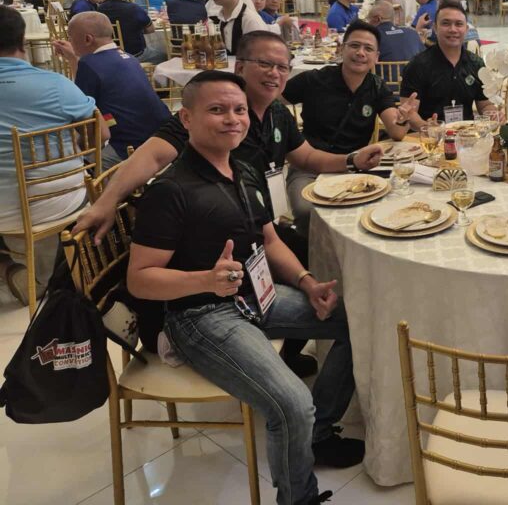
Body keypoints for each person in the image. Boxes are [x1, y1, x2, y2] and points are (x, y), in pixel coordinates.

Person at [127, 71, 362, 505]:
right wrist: (205, 280)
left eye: (238, 109)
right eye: (217, 110)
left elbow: (269, 241)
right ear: (186, 118)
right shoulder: (171, 191)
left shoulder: (245, 169)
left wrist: (307, 282)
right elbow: (139, 279)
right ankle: (298, 497)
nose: (232, 119)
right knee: (292, 403)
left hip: (254, 295)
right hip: (200, 315)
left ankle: (318, 433)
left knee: (358, 321)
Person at [0, 7, 107, 305]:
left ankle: (9, 269)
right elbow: (100, 134)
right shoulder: (57, 84)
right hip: (63, 200)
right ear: (23, 40)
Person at [283, 21, 418, 234]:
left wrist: (403, 118)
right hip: (310, 167)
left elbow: (396, 132)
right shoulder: (314, 79)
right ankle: (305, 250)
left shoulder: (376, 86)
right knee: (306, 210)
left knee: (387, 208)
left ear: (376, 57)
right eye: (354, 46)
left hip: (356, 167)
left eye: (368, 49)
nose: (360, 53)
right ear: (341, 48)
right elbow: (273, 100)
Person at [51, 12, 169, 168]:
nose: (70, 42)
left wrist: (78, 150)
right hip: (163, 135)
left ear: (88, 39)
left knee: (76, 163)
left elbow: (83, 112)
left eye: (70, 37)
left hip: (131, 145)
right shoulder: (128, 57)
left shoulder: (89, 64)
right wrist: (74, 58)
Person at [400, 2, 496, 128]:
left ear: (466, 29)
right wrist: (427, 127)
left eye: (459, 24)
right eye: (446, 23)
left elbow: (484, 104)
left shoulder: (476, 63)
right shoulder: (417, 65)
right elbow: (409, 112)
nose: (453, 29)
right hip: (430, 136)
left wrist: (493, 114)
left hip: (467, 135)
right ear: (435, 28)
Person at [98, 0, 164, 63]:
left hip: (110, 54)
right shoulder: (133, 8)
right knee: (163, 54)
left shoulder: (99, 9)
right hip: (135, 54)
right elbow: (150, 29)